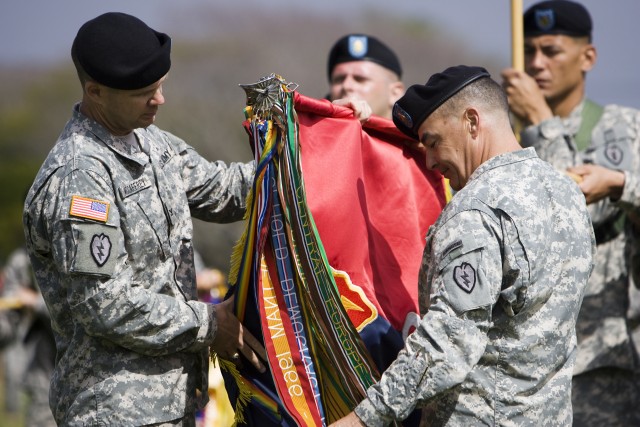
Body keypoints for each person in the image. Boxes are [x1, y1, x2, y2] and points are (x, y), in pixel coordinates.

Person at [21, 12, 270, 426]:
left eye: (159, 87)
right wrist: (208, 323)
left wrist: (299, 154)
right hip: (114, 411)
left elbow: (224, 190)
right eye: (143, 93)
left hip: (171, 404)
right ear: (96, 92)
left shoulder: (148, 141)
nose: (159, 101)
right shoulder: (79, 175)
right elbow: (105, 304)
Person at [329, 65, 595, 426]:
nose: (430, 160)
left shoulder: (475, 210)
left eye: (434, 141)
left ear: (472, 122)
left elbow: (446, 344)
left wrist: (362, 420)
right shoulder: (566, 192)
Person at [501, 1, 640, 424]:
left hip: (603, 357)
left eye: (551, 51)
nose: (537, 64)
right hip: (526, 365)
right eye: (529, 52)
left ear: (587, 57)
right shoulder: (503, 137)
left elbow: (568, 210)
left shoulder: (621, 127)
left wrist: (542, 124)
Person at [0, 246, 56, 426]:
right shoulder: (21, 260)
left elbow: (89, 312)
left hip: (94, 374)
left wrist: (36, 302)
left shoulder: (82, 244)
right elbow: (8, 324)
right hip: (44, 379)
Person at [327, 33, 405, 120]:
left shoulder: (420, 132)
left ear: (395, 93)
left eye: (359, 79)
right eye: (339, 79)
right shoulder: (312, 130)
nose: (346, 86)